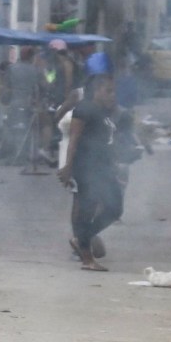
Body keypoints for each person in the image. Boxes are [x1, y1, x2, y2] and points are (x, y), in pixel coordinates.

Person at [60, 73, 126, 271]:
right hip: (87, 168)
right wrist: (67, 167)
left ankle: (81, 238)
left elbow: (106, 141)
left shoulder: (102, 111)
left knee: (115, 208)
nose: (112, 95)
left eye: (113, 91)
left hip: (103, 168)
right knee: (87, 210)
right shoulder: (84, 109)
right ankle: (87, 259)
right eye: (108, 91)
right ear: (96, 90)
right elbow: (74, 140)